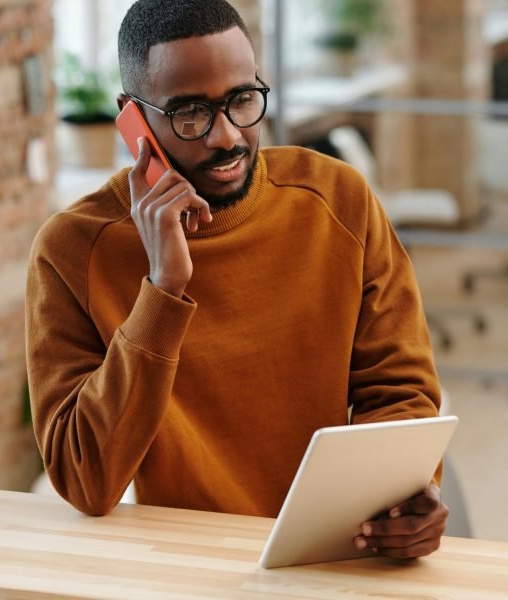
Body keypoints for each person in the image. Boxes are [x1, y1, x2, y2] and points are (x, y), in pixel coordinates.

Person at [26, 0, 448, 559]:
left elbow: (401, 397)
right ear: (133, 118)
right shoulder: (71, 251)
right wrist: (163, 289)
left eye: (242, 99)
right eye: (190, 114)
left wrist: (405, 504)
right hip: (181, 568)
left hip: (334, 553)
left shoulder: (338, 201)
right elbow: (86, 480)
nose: (226, 137)